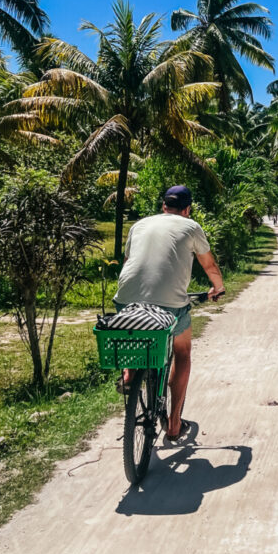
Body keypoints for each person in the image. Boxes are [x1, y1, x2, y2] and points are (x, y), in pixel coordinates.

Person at [114, 185, 225, 441]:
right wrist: (218, 288)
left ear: (164, 206)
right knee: (182, 352)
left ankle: (131, 373)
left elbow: (129, 262)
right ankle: (174, 424)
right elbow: (208, 264)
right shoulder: (191, 226)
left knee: (135, 327)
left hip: (125, 300)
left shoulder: (139, 225)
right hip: (169, 307)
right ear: (187, 209)